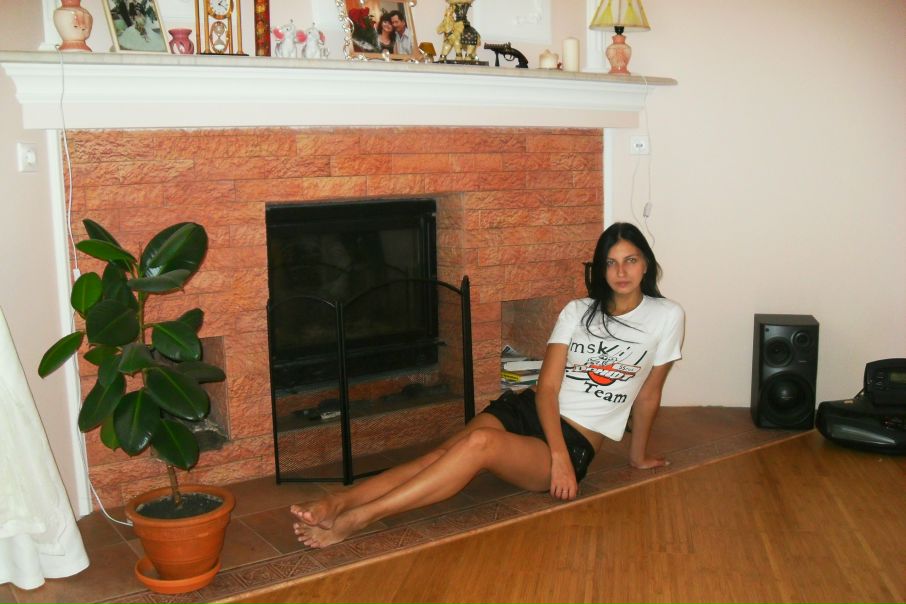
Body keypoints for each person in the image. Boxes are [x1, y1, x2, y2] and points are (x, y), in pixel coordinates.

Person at [291, 222, 685, 548]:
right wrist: (557, 456)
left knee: (478, 444)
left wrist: (632, 456)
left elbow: (649, 394)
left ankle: (360, 517)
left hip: (577, 438)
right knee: (446, 452)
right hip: (531, 410)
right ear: (600, 269)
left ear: (646, 265)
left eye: (630, 260)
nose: (621, 272)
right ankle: (341, 501)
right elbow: (547, 389)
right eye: (611, 262)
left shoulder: (666, 316)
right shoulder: (578, 311)